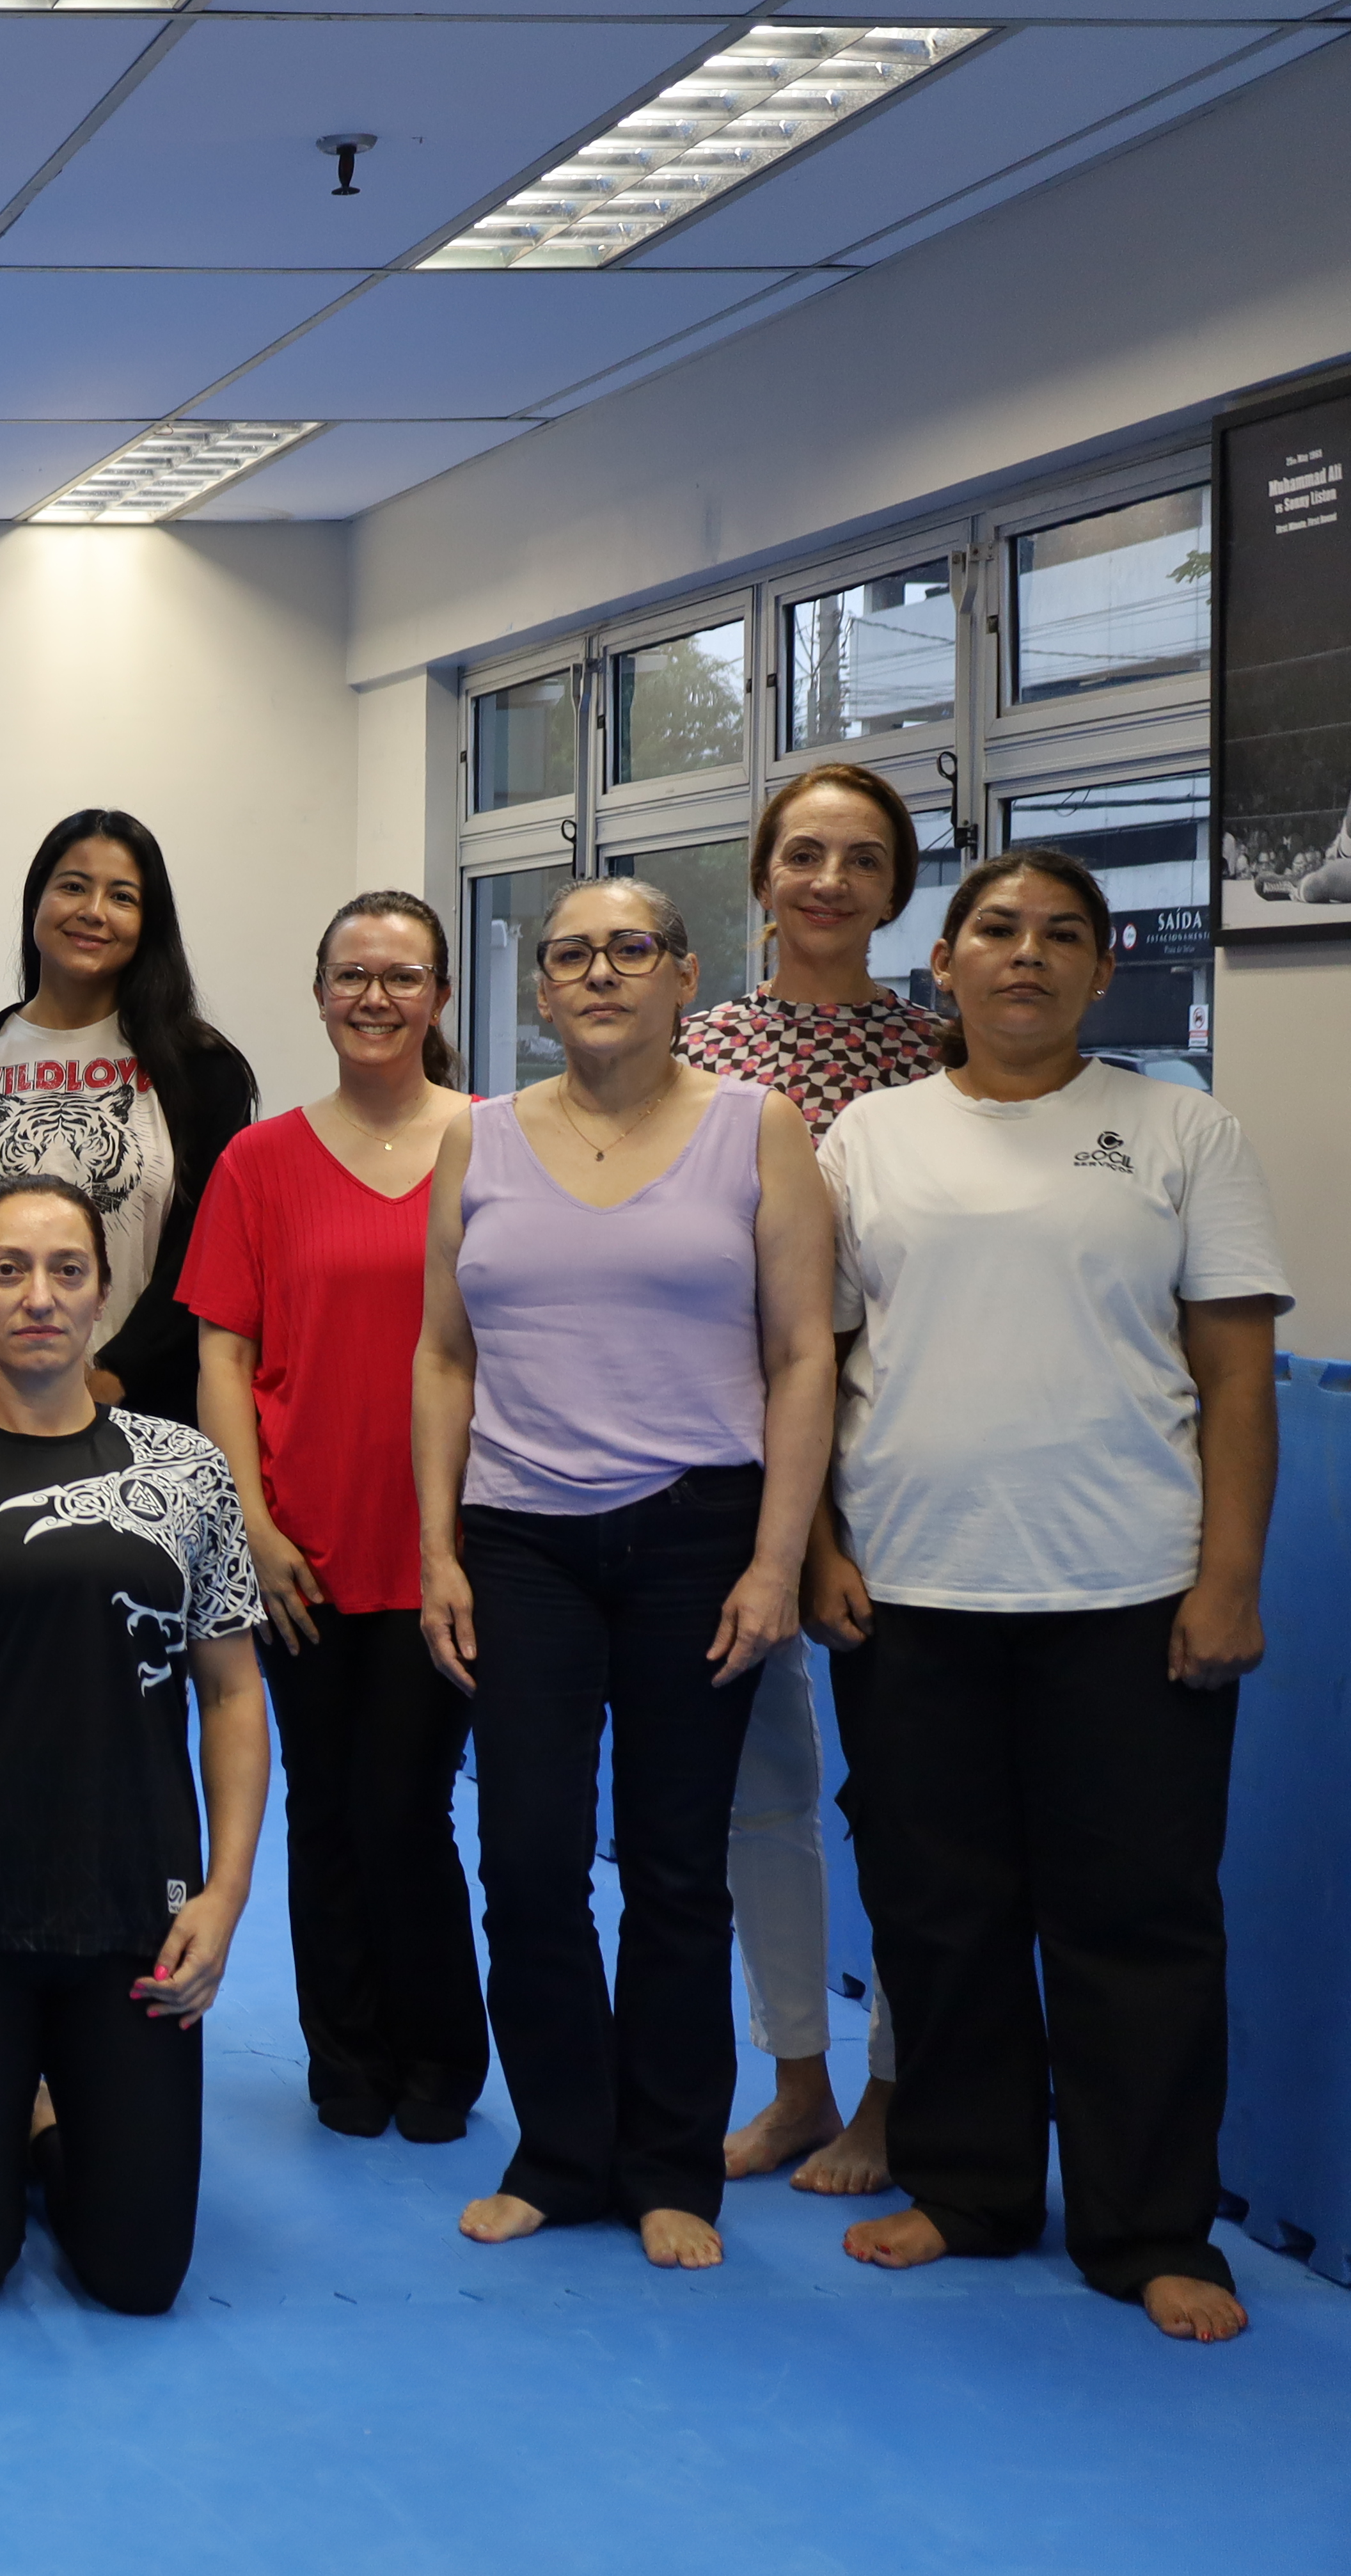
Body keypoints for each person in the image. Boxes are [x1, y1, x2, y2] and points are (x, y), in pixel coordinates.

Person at [817, 848, 1286, 2345]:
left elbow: (1233, 1375)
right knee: (936, 1913)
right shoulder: (865, 1140)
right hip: (910, 1590)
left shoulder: (1177, 1129)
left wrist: (1227, 1580)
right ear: (940, 965)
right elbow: (806, 1364)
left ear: (1101, 970)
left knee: (1135, 1924)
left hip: (1127, 1595)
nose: (1025, 955)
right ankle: (966, 2188)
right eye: (996, 931)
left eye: (1060, 936)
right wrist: (820, 1546)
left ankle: (1149, 2225)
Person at [413, 877, 833, 2271]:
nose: (600, 972)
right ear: (539, 989)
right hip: (523, 1537)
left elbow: (800, 1354)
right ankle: (561, 2150)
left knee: (672, 1867)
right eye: (571, 954)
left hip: (698, 1533)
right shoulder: (477, 1141)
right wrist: (438, 1548)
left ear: (683, 974)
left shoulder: (755, 1130)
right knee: (527, 1860)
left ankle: (668, 2163)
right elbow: (444, 1356)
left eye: (629, 949)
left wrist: (778, 1557)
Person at [0, 1173, 269, 2314]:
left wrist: (223, 1895)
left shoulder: (186, 1473)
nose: (39, 1297)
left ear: (103, 1294)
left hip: (137, 1917)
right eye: (9, 1270)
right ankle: (16, 2110)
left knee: (140, 2281)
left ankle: (54, 2123)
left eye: (66, 1270)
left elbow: (230, 1693)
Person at [674, 765, 948, 2194]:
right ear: (763, 876)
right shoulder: (700, 1053)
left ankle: (896, 2092)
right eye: (803, 854)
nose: (829, 881)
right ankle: (796, 2076)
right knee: (763, 1792)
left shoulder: (950, 1055)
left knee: (906, 1799)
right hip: (735, 1463)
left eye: (860, 858)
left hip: (908, 1470)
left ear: (899, 886)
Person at [177, 890, 484, 2145]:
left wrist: (463, 1538)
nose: (375, 997)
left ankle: (442, 2055)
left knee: (405, 1802)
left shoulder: (496, 1142)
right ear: (318, 994)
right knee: (323, 1802)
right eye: (352, 974)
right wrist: (247, 1515)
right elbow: (221, 1352)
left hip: (441, 1541)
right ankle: (344, 2056)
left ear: (441, 999)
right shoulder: (261, 1161)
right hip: (299, 1541)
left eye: (401, 976)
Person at [0, 809, 257, 1425]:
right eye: (73, 885)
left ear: (148, 923)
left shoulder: (205, 1072)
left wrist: (114, 1376)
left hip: (146, 1418)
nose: (94, 910)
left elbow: (203, 1258)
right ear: (37, 899)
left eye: (122, 896)